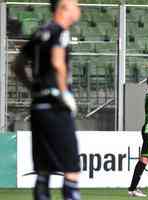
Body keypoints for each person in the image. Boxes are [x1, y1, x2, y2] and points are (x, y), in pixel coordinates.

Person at [12, 0, 81, 200]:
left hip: (38, 107)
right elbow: (58, 63)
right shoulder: (60, 31)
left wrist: (32, 87)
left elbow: (16, 65)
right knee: (71, 170)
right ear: (64, 7)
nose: (79, 8)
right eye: (76, 4)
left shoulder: (38, 33)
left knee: (43, 172)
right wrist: (64, 93)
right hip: (56, 106)